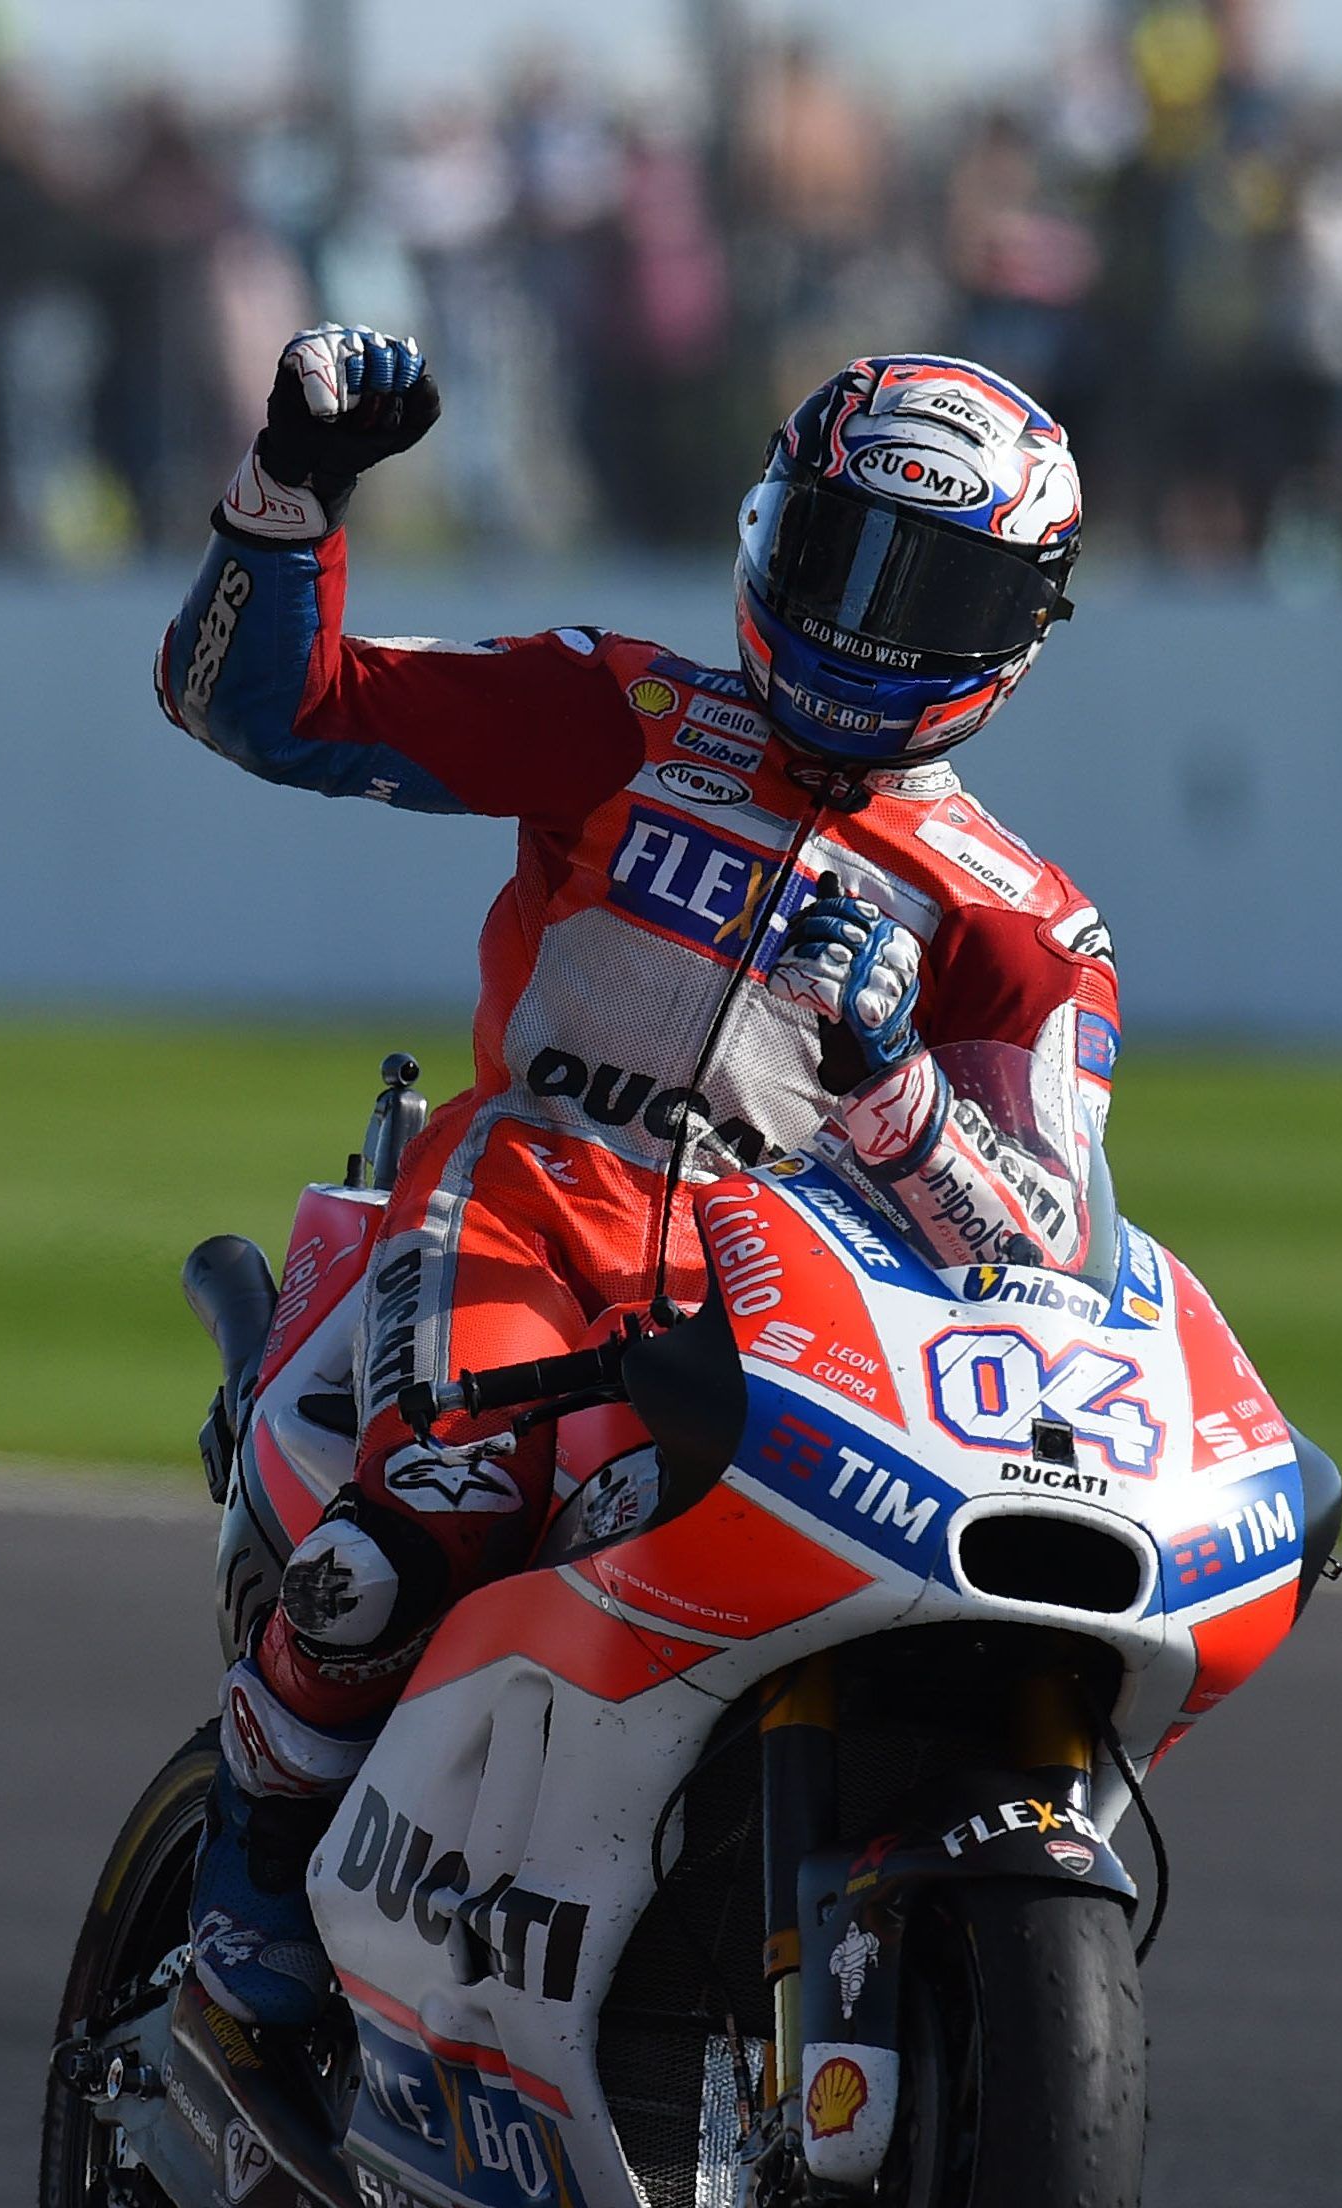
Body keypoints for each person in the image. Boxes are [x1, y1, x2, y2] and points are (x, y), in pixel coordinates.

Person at [155, 328, 1117, 2029]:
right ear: (771, 528)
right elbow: (259, 706)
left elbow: (1042, 1240)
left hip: (805, 1304)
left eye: (933, 592)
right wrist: (294, 485)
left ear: (1022, 630)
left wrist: (893, 1093)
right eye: (843, 559)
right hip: (534, 1196)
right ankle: (252, 1871)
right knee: (409, 1542)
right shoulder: (619, 707)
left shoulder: (1024, 926)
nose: (869, 623)